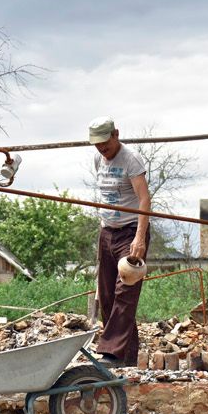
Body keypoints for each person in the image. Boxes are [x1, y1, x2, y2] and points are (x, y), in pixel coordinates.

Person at [88, 115, 152, 367]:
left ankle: (111, 353)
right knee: (107, 296)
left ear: (116, 134)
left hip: (131, 231)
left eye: (105, 142)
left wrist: (139, 238)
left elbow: (144, 199)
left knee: (125, 290)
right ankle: (127, 359)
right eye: (97, 143)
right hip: (107, 232)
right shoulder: (98, 159)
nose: (101, 148)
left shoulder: (131, 159)